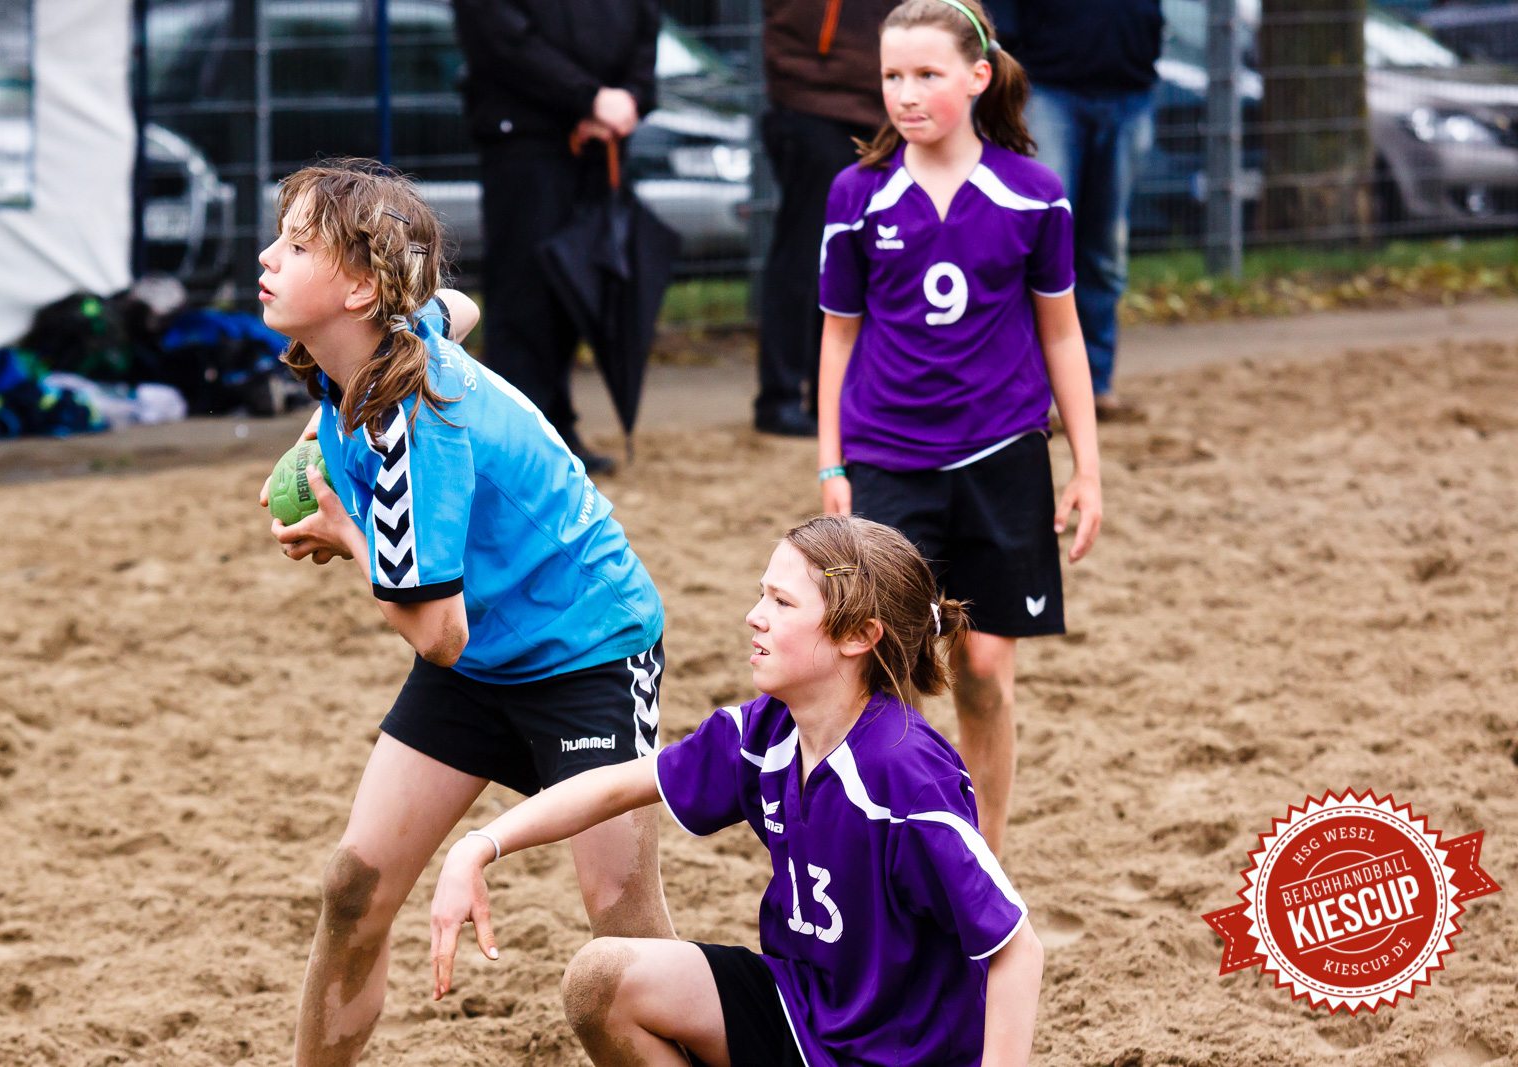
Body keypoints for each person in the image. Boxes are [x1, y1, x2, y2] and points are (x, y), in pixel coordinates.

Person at [255, 161, 675, 1067]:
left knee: (623, 928)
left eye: (297, 245)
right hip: (484, 663)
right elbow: (459, 307)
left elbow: (437, 636)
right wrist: (314, 438)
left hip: (588, 651)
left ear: (359, 290)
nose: (267, 257)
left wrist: (345, 533)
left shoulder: (415, 430)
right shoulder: (383, 340)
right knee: (352, 889)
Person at [428, 515, 1044, 1067]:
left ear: (858, 636)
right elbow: (615, 787)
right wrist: (480, 844)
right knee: (601, 980)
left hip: (901, 1052)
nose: (755, 615)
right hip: (801, 1009)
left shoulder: (904, 772)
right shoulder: (767, 730)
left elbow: (1018, 950)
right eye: (761, 593)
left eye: (782, 601)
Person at [814, 0, 1103, 855]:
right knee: (884, 672)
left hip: (1003, 458)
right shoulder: (857, 195)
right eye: (891, 76)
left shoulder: (1034, 194)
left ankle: (988, 858)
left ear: (978, 78)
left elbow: (1062, 333)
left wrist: (1088, 466)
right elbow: (837, 336)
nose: (905, 94)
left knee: (982, 669)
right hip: (888, 458)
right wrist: (831, 464)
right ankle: (887, 849)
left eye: (926, 74)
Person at [452, 0, 663, 473]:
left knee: (577, 291)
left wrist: (628, 99)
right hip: (524, 141)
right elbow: (502, 38)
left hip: (602, 143)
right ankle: (514, 445)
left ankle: (555, 431)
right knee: (524, 295)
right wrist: (588, 99)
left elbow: (644, 26)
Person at [993, 0, 1162, 420]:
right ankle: (1033, 388)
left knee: (1106, 251)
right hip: (1048, 89)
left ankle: (1095, 385)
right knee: (1041, 247)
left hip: (1130, 89)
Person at [753, 0, 898, 436]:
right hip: (813, 103)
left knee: (859, 261)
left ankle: (833, 397)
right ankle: (780, 396)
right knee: (804, 256)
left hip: (882, 110)